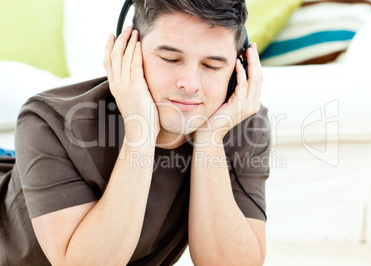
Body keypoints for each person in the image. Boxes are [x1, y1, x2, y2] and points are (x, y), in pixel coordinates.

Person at [0, 0, 270, 265]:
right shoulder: (48, 120)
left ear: (239, 69)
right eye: (170, 59)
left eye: (212, 66)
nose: (190, 85)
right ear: (128, 52)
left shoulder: (242, 122)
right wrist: (141, 130)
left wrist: (210, 139)